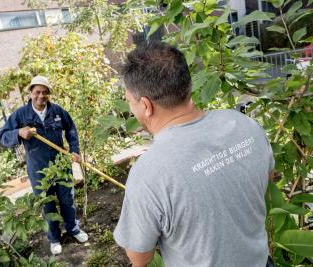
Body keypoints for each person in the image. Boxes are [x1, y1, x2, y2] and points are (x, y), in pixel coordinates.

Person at [113, 42, 275, 267]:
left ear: (146, 105)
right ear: (187, 85)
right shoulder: (243, 124)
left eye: (129, 102)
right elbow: (267, 179)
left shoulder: (148, 172)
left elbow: (139, 257)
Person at [0, 75, 88, 255]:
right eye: (37, 92)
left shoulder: (57, 112)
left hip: (61, 164)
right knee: (47, 204)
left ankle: (73, 229)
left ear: (49, 95)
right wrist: (18, 133)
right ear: (30, 92)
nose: (41, 96)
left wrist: (75, 149)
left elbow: (71, 129)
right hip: (38, 168)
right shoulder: (21, 115)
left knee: (67, 200)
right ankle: (54, 238)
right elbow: (3, 136)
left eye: (45, 92)